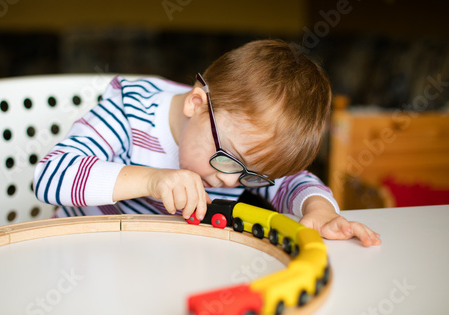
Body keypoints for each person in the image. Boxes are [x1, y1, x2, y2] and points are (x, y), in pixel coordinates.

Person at [34, 39, 381, 247]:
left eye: (250, 177)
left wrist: (319, 210)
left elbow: (293, 181)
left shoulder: (234, 154)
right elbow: (50, 176)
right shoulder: (130, 110)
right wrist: (151, 179)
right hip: (81, 254)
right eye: (228, 160)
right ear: (196, 104)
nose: (229, 182)